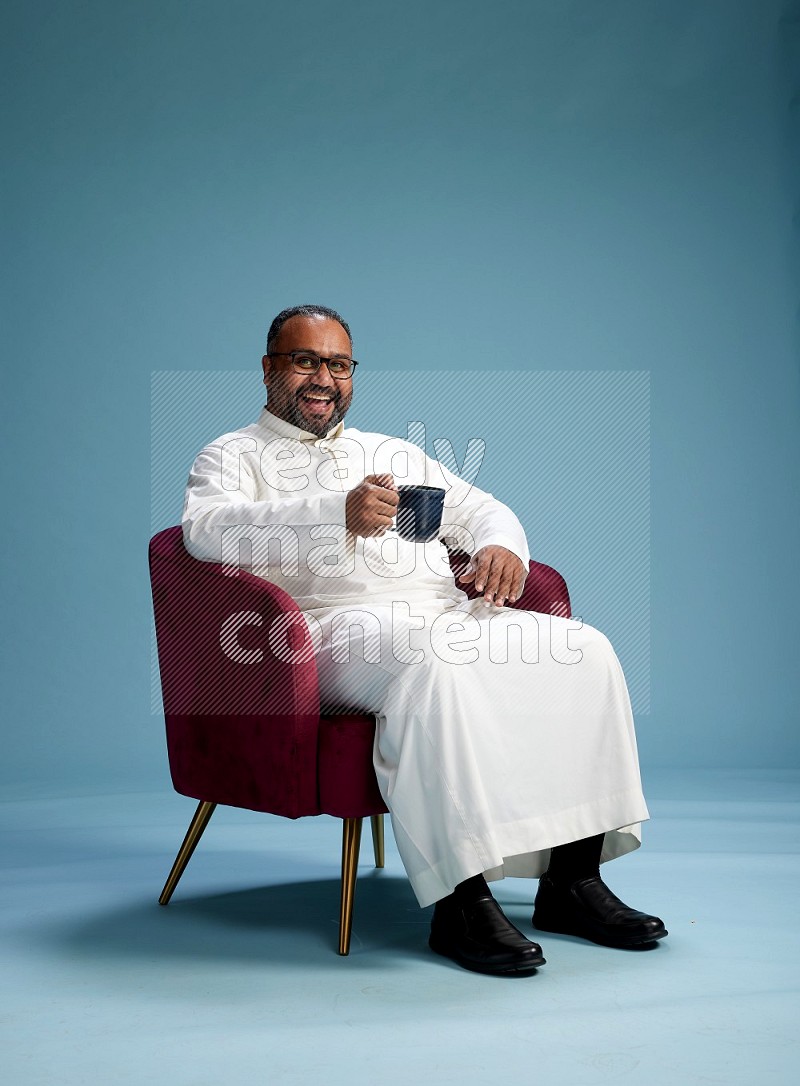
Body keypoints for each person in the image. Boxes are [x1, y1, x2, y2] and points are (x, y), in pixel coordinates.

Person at [182, 303, 667, 976]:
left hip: (439, 611)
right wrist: (333, 514)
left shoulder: (390, 451)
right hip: (324, 632)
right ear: (270, 368)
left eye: (339, 364)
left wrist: (502, 548)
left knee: (584, 650)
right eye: (306, 360)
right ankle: (460, 900)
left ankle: (572, 880)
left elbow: (481, 508)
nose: (324, 378)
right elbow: (206, 533)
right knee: (434, 663)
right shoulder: (232, 454)